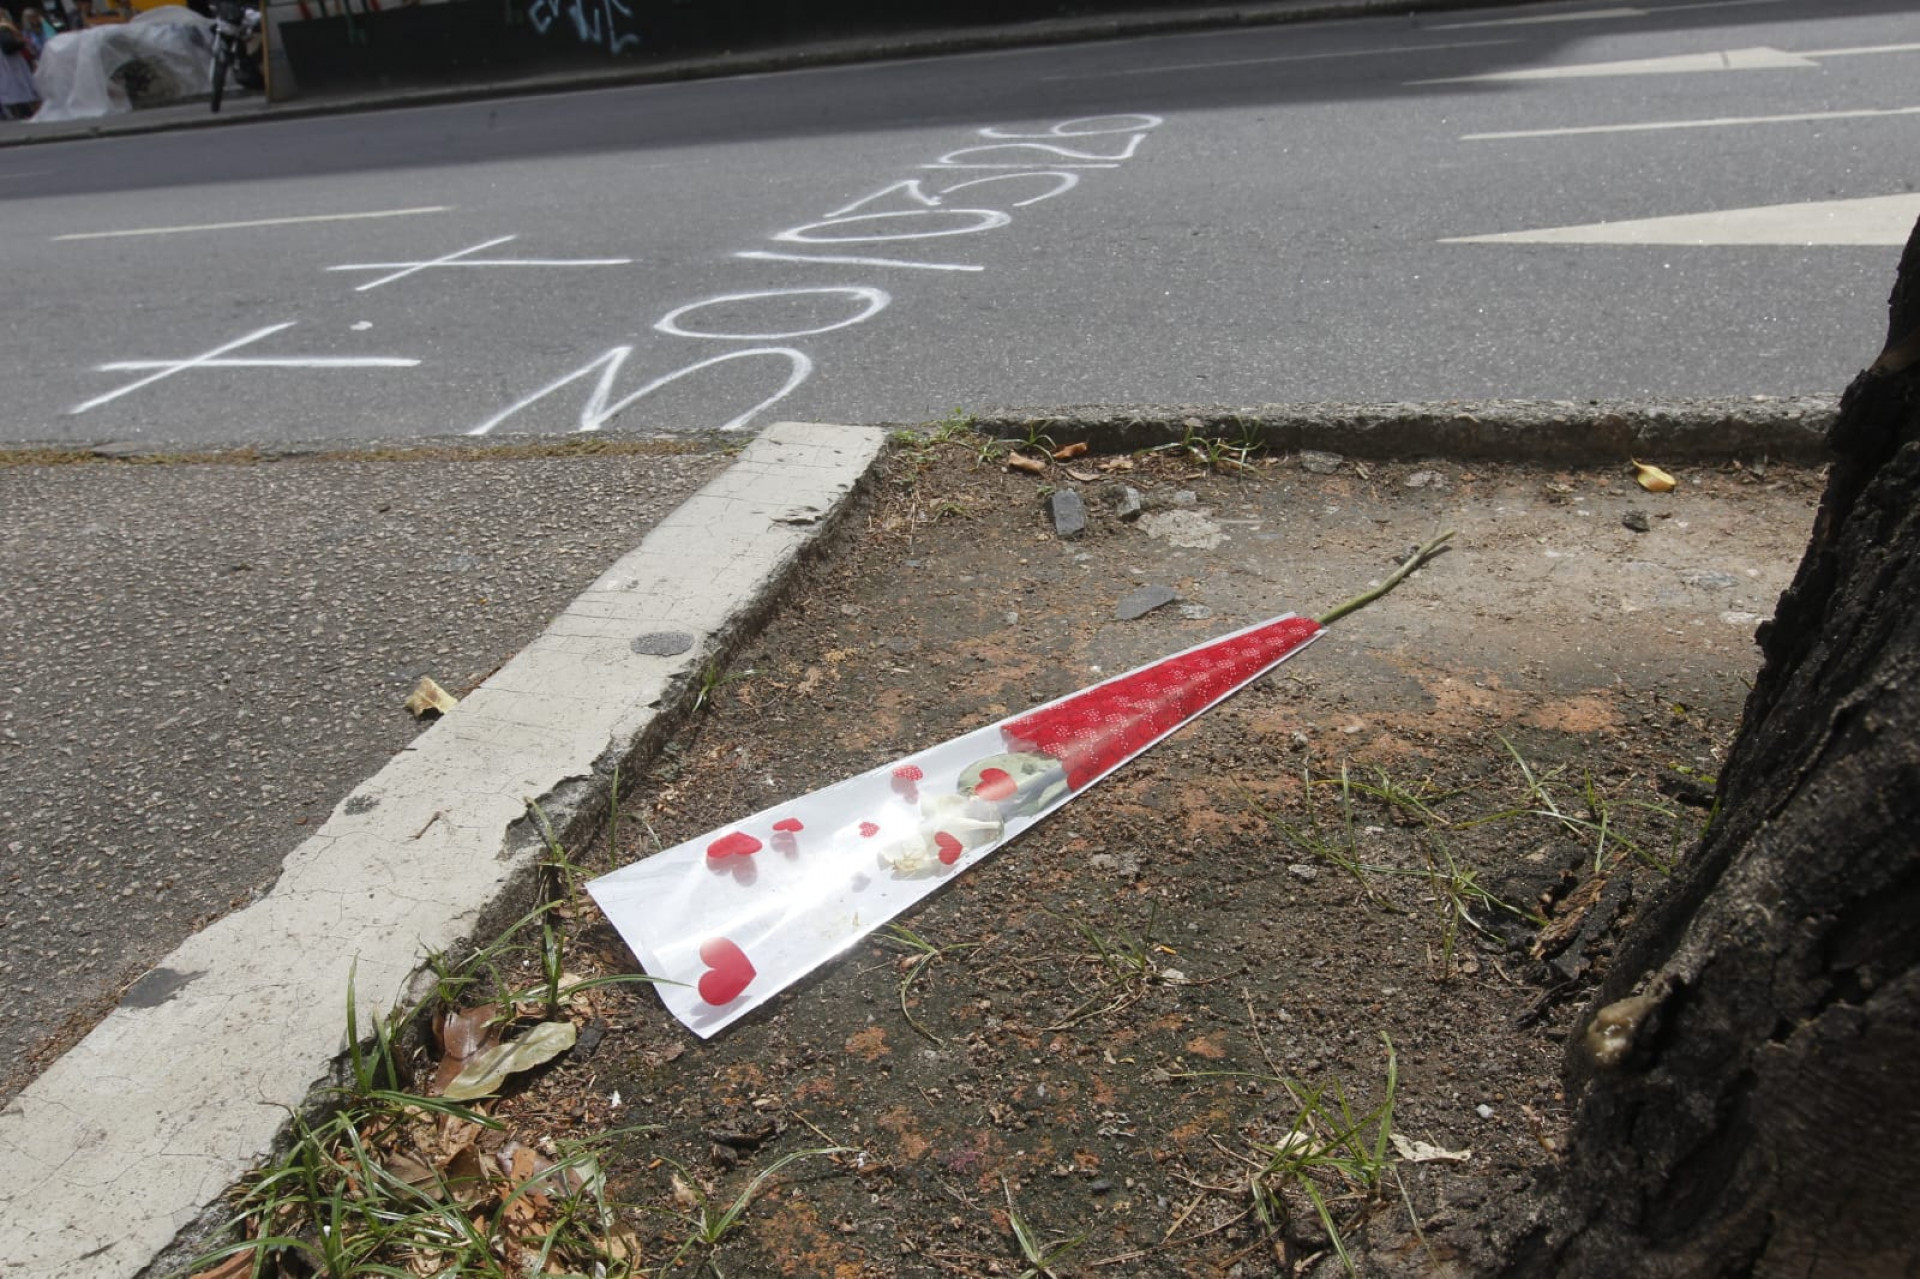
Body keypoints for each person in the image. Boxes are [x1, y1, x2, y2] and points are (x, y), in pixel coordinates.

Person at [0, 11, 42, 120]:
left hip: (8, 65)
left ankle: (19, 111)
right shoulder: (3, 28)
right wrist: (22, 43)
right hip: (11, 65)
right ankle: (24, 111)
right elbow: (8, 46)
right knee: (18, 87)